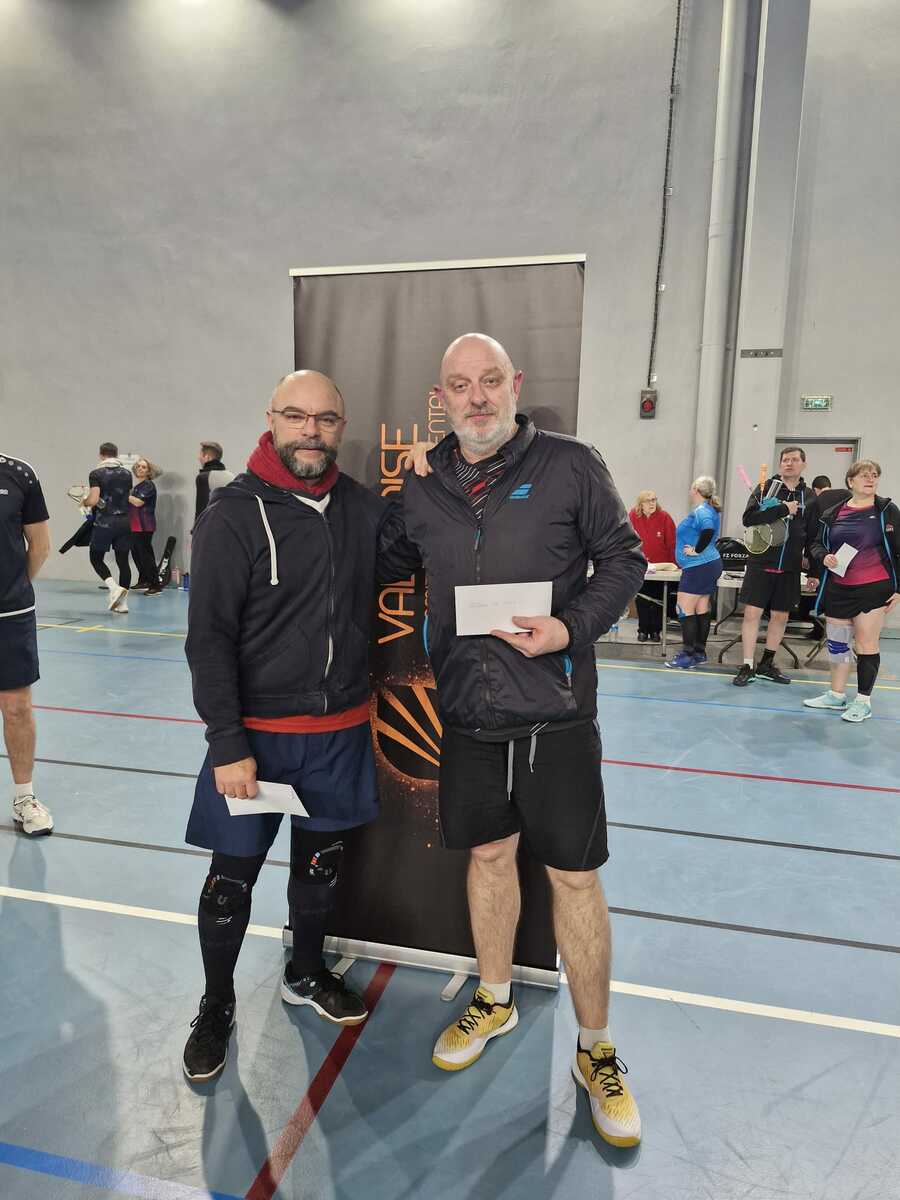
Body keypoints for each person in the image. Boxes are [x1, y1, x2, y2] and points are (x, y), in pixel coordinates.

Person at [380, 333, 646, 1148]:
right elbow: (383, 558)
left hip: (556, 716)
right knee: (490, 857)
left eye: (490, 380)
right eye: (460, 385)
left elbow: (624, 561)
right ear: (441, 399)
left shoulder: (571, 464)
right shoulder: (422, 484)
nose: (477, 397)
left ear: (515, 384)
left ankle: (596, 1049)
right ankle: (494, 999)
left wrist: (570, 627)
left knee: (575, 878)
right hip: (467, 716)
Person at [181, 371, 386, 1084]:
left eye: (325, 419)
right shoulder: (233, 515)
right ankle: (216, 1003)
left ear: (341, 426)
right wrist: (227, 743)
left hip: (338, 733)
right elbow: (208, 639)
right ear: (271, 419)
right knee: (230, 880)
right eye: (296, 416)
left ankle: (305, 971)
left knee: (319, 871)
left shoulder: (363, 509)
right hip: (257, 741)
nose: (310, 430)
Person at [805, 459, 900, 722]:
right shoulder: (833, 512)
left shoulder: (887, 510)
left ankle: (863, 701)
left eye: (875, 475)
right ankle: (836, 695)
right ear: (850, 481)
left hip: (873, 589)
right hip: (838, 588)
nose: (871, 479)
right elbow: (816, 544)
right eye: (865, 475)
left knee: (865, 644)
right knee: (837, 645)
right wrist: (824, 556)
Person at [0, 452, 53, 836]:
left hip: (10, 613)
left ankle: (24, 799)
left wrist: (14, 589)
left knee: (16, 707)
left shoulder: (18, 474)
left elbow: (40, 545)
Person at [733, 446, 813, 687]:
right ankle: (747, 665)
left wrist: (814, 570)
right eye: (785, 459)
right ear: (780, 464)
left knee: (781, 616)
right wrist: (782, 509)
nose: (789, 463)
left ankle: (766, 664)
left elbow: (813, 534)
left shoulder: (809, 496)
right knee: (752, 614)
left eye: (795, 460)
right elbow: (748, 519)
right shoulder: (765, 488)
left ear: (803, 464)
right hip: (761, 562)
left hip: (790, 567)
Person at [666, 477, 723, 669]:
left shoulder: (702, 511)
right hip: (708, 565)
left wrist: (696, 550)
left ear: (696, 490)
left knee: (684, 608)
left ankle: (687, 655)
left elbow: (708, 530)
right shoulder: (709, 509)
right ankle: (699, 652)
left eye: (691, 488)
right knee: (701, 607)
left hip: (699, 566)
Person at [85, 442, 133, 614]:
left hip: (105, 522)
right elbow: (125, 497)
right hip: (125, 522)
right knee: (123, 561)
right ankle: (123, 603)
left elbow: (94, 499)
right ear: (116, 454)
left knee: (96, 558)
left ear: (101, 454)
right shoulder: (127, 473)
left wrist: (84, 501)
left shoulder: (96, 473)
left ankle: (114, 588)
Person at [629, 490, 676, 642]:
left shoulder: (664, 517)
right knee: (642, 599)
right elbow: (627, 540)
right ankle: (643, 630)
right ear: (640, 504)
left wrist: (674, 565)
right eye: (648, 501)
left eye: (654, 500)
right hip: (641, 565)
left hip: (661, 567)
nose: (652, 503)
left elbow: (672, 543)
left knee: (658, 599)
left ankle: (656, 631)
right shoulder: (633, 516)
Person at [129, 457, 163, 595]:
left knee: (146, 555)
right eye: (138, 466)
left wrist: (124, 494)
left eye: (144, 467)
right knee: (136, 553)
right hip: (134, 525)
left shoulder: (148, 485)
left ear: (149, 471)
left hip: (144, 525)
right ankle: (144, 580)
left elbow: (138, 502)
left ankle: (155, 585)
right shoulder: (137, 486)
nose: (140, 469)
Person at [194, 441, 232, 525]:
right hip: (230, 526)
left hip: (211, 526)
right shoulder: (231, 476)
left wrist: (195, 529)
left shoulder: (203, 478)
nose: (198, 458)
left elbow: (201, 510)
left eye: (201, 455)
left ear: (207, 457)